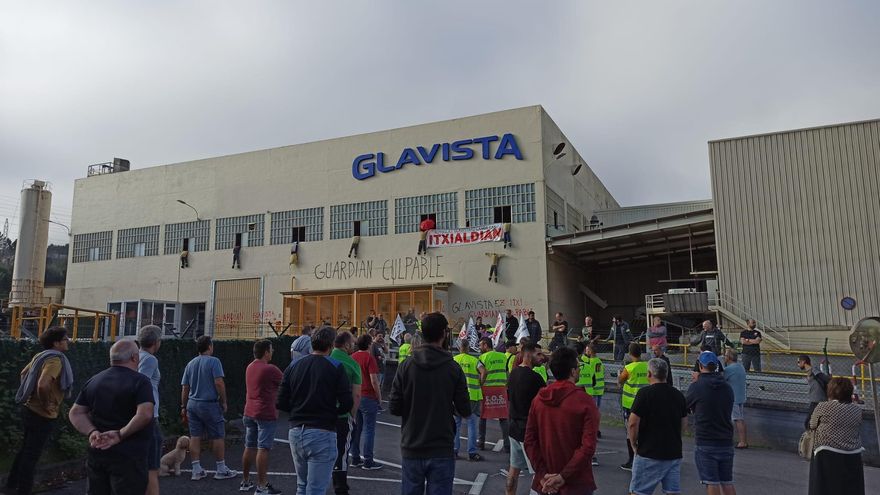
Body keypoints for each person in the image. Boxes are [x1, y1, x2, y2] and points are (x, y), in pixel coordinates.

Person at [389, 312, 471, 495]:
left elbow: (394, 406)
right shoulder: (452, 367)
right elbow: (465, 408)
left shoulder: (406, 366)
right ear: (444, 334)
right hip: (441, 444)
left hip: (412, 443)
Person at [68, 340, 154, 495]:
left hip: (98, 453)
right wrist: (120, 434)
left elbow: (76, 412)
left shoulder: (94, 380)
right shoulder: (140, 381)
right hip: (129, 456)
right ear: (135, 358)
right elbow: (145, 414)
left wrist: (92, 432)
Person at [277, 326, 354, 495]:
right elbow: (347, 402)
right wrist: (333, 413)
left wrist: (298, 410)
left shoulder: (294, 366)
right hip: (322, 430)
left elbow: (281, 401)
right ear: (331, 344)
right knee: (316, 489)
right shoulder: (335, 366)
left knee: (302, 485)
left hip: (296, 430)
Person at [7, 327, 73, 495]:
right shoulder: (55, 360)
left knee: (25, 449)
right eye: (65, 339)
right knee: (32, 455)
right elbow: (43, 384)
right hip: (42, 414)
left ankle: (11, 484)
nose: (68, 341)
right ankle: (24, 490)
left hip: (29, 408)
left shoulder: (40, 356)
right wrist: (45, 403)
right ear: (56, 343)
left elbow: (23, 374)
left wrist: (30, 394)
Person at [524, 346, 599, 495]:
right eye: (578, 366)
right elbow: (588, 446)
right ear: (572, 371)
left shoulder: (538, 400)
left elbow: (530, 441)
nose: (579, 370)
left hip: (546, 482)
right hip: (577, 483)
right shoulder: (584, 401)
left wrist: (543, 473)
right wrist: (563, 476)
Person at [180, 336, 238, 481]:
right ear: (210, 346)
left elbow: (185, 387)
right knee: (218, 435)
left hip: (192, 404)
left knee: (195, 436)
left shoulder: (190, 363)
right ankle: (220, 468)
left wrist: (183, 406)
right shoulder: (214, 361)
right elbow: (219, 382)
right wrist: (224, 401)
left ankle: (196, 469)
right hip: (209, 403)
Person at [627, 358, 688, 495]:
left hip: (649, 452)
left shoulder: (644, 394)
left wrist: (634, 444)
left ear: (649, 374)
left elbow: (632, 423)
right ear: (666, 374)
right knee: (672, 491)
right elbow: (684, 424)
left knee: (638, 491)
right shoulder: (678, 395)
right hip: (673, 453)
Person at [687, 352, 735, 495]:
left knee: (711, 482)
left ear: (701, 366)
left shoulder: (696, 387)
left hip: (706, 440)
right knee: (727, 481)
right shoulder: (727, 387)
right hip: (726, 440)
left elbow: (684, 405)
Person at [807, 377, 864, 495]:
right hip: (853, 454)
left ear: (830, 391)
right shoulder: (857, 410)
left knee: (824, 489)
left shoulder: (823, 407)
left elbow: (812, 425)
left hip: (827, 453)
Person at [241, 340, 283, 494]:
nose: (272, 352)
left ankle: (245, 481)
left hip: (249, 411)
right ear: (266, 352)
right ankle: (262, 485)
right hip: (265, 412)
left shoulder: (250, 367)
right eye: (271, 350)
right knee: (263, 448)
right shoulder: (270, 369)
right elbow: (286, 383)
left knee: (249, 446)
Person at [505, 342, 545, 495]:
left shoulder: (513, 374)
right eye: (538, 354)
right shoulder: (535, 378)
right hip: (529, 432)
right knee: (538, 473)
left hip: (513, 428)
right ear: (528, 354)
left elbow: (509, 397)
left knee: (513, 470)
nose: (541, 358)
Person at [330, 331, 362, 494]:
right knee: (342, 452)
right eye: (352, 343)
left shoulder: (326, 359)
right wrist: (353, 414)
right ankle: (340, 487)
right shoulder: (352, 364)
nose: (354, 345)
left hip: (323, 414)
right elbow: (356, 394)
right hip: (343, 415)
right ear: (346, 344)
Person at [136, 325, 163, 495]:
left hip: (138, 415)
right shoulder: (150, 359)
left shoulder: (134, 356)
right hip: (148, 414)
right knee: (151, 465)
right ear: (155, 342)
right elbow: (141, 383)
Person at [350, 334, 383, 470]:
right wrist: (379, 398)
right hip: (368, 396)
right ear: (369, 344)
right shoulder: (369, 358)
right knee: (369, 430)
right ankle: (368, 460)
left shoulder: (352, 357)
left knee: (356, 429)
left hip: (356, 395)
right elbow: (374, 380)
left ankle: (355, 458)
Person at [617, 342, 648, 471]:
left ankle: (632, 459)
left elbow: (620, 381)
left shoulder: (629, 368)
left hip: (630, 404)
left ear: (630, 354)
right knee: (645, 430)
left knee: (631, 432)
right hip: (645, 403)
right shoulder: (647, 366)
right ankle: (646, 457)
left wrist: (619, 375)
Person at [452, 338, 484, 462]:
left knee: (456, 424)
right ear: (468, 348)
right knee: (471, 424)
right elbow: (483, 371)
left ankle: (454, 451)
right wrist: (480, 383)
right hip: (473, 396)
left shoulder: (454, 360)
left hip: (457, 396)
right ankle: (472, 452)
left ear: (460, 348)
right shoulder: (474, 360)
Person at [477, 337, 510, 452]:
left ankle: (481, 443)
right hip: (501, 389)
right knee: (503, 417)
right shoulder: (503, 356)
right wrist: (506, 385)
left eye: (481, 345)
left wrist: (480, 384)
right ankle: (507, 445)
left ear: (486, 345)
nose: (480, 348)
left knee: (483, 416)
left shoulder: (482, 357)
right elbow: (507, 373)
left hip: (487, 389)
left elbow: (482, 374)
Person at [723, 349, 748, 449]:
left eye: (725, 355)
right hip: (741, 396)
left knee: (737, 420)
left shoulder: (730, 369)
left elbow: (721, 378)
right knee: (741, 419)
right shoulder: (740, 366)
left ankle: (742, 442)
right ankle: (744, 440)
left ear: (729, 357)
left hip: (733, 397)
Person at [798, 355, 829, 430]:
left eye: (799, 362)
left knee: (808, 423)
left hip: (818, 400)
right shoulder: (809, 371)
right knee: (814, 422)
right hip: (815, 399)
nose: (798, 364)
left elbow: (823, 378)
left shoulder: (813, 370)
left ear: (803, 362)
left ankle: (812, 439)